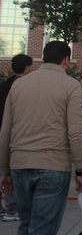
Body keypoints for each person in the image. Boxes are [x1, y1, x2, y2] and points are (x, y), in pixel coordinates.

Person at [0, 40, 82, 235]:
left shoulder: (19, 85)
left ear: (43, 58)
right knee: (41, 232)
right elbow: (75, 132)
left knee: (25, 227)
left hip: (20, 164)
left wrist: (4, 170)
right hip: (53, 165)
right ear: (66, 60)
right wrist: (81, 170)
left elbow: (5, 131)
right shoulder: (71, 86)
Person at [0, 54, 34, 222]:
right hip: (16, 133)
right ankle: (12, 210)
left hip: (2, 131)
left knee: (2, 169)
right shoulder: (25, 87)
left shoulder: (4, 86)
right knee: (12, 172)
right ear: (26, 68)